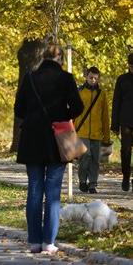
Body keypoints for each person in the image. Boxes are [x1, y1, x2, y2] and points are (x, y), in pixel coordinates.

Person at [15, 44, 83, 254]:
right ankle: (49, 243)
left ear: (42, 57)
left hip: (32, 141)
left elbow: (19, 109)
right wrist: (63, 115)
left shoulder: (30, 77)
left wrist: (34, 117)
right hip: (57, 141)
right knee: (52, 192)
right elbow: (78, 106)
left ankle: (34, 240)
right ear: (60, 59)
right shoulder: (66, 79)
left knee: (34, 189)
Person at [75, 66, 110, 194]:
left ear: (98, 79)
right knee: (86, 155)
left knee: (95, 159)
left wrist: (106, 136)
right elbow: (74, 112)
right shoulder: (79, 92)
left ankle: (92, 184)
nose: (93, 80)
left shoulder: (101, 94)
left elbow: (105, 116)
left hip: (97, 132)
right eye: (91, 77)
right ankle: (83, 180)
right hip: (82, 131)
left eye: (95, 78)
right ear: (86, 77)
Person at [112, 53, 133, 191]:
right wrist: (114, 124)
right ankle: (126, 176)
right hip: (126, 120)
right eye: (131, 65)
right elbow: (116, 102)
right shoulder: (122, 79)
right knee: (125, 150)